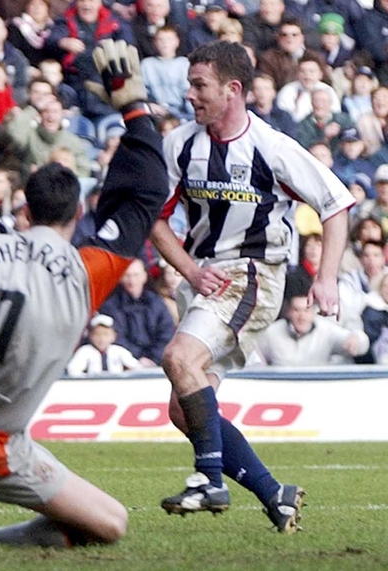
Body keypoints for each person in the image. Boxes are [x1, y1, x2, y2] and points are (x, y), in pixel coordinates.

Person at [0, 39, 168, 546]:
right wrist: (132, 106)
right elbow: (148, 189)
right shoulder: (88, 271)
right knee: (109, 524)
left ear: (24, 210)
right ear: (79, 214)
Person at [150, 41, 354, 531]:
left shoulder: (271, 146)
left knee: (179, 359)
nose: (190, 96)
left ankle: (208, 480)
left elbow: (336, 204)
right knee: (185, 408)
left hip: (253, 274)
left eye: (200, 85)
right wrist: (191, 271)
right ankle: (275, 495)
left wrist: (325, 279)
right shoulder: (179, 144)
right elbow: (154, 220)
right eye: (189, 86)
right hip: (205, 277)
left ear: (232, 89)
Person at [254, 293, 369, 366]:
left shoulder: (326, 331)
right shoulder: (271, 332)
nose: (301, 316)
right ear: (288, 312)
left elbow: (362, 344)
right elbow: (255, 359)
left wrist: (356, 339)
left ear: (314, 312)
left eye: (306, 310)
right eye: (296, 310)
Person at [66, 313, 142, 376]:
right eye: (97, 334)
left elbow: (137, 368)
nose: (101, 339)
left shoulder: (119, 351)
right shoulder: (85, 351)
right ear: (90, 336)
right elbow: (73, 370)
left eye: (106, 334)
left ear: (114, 336)